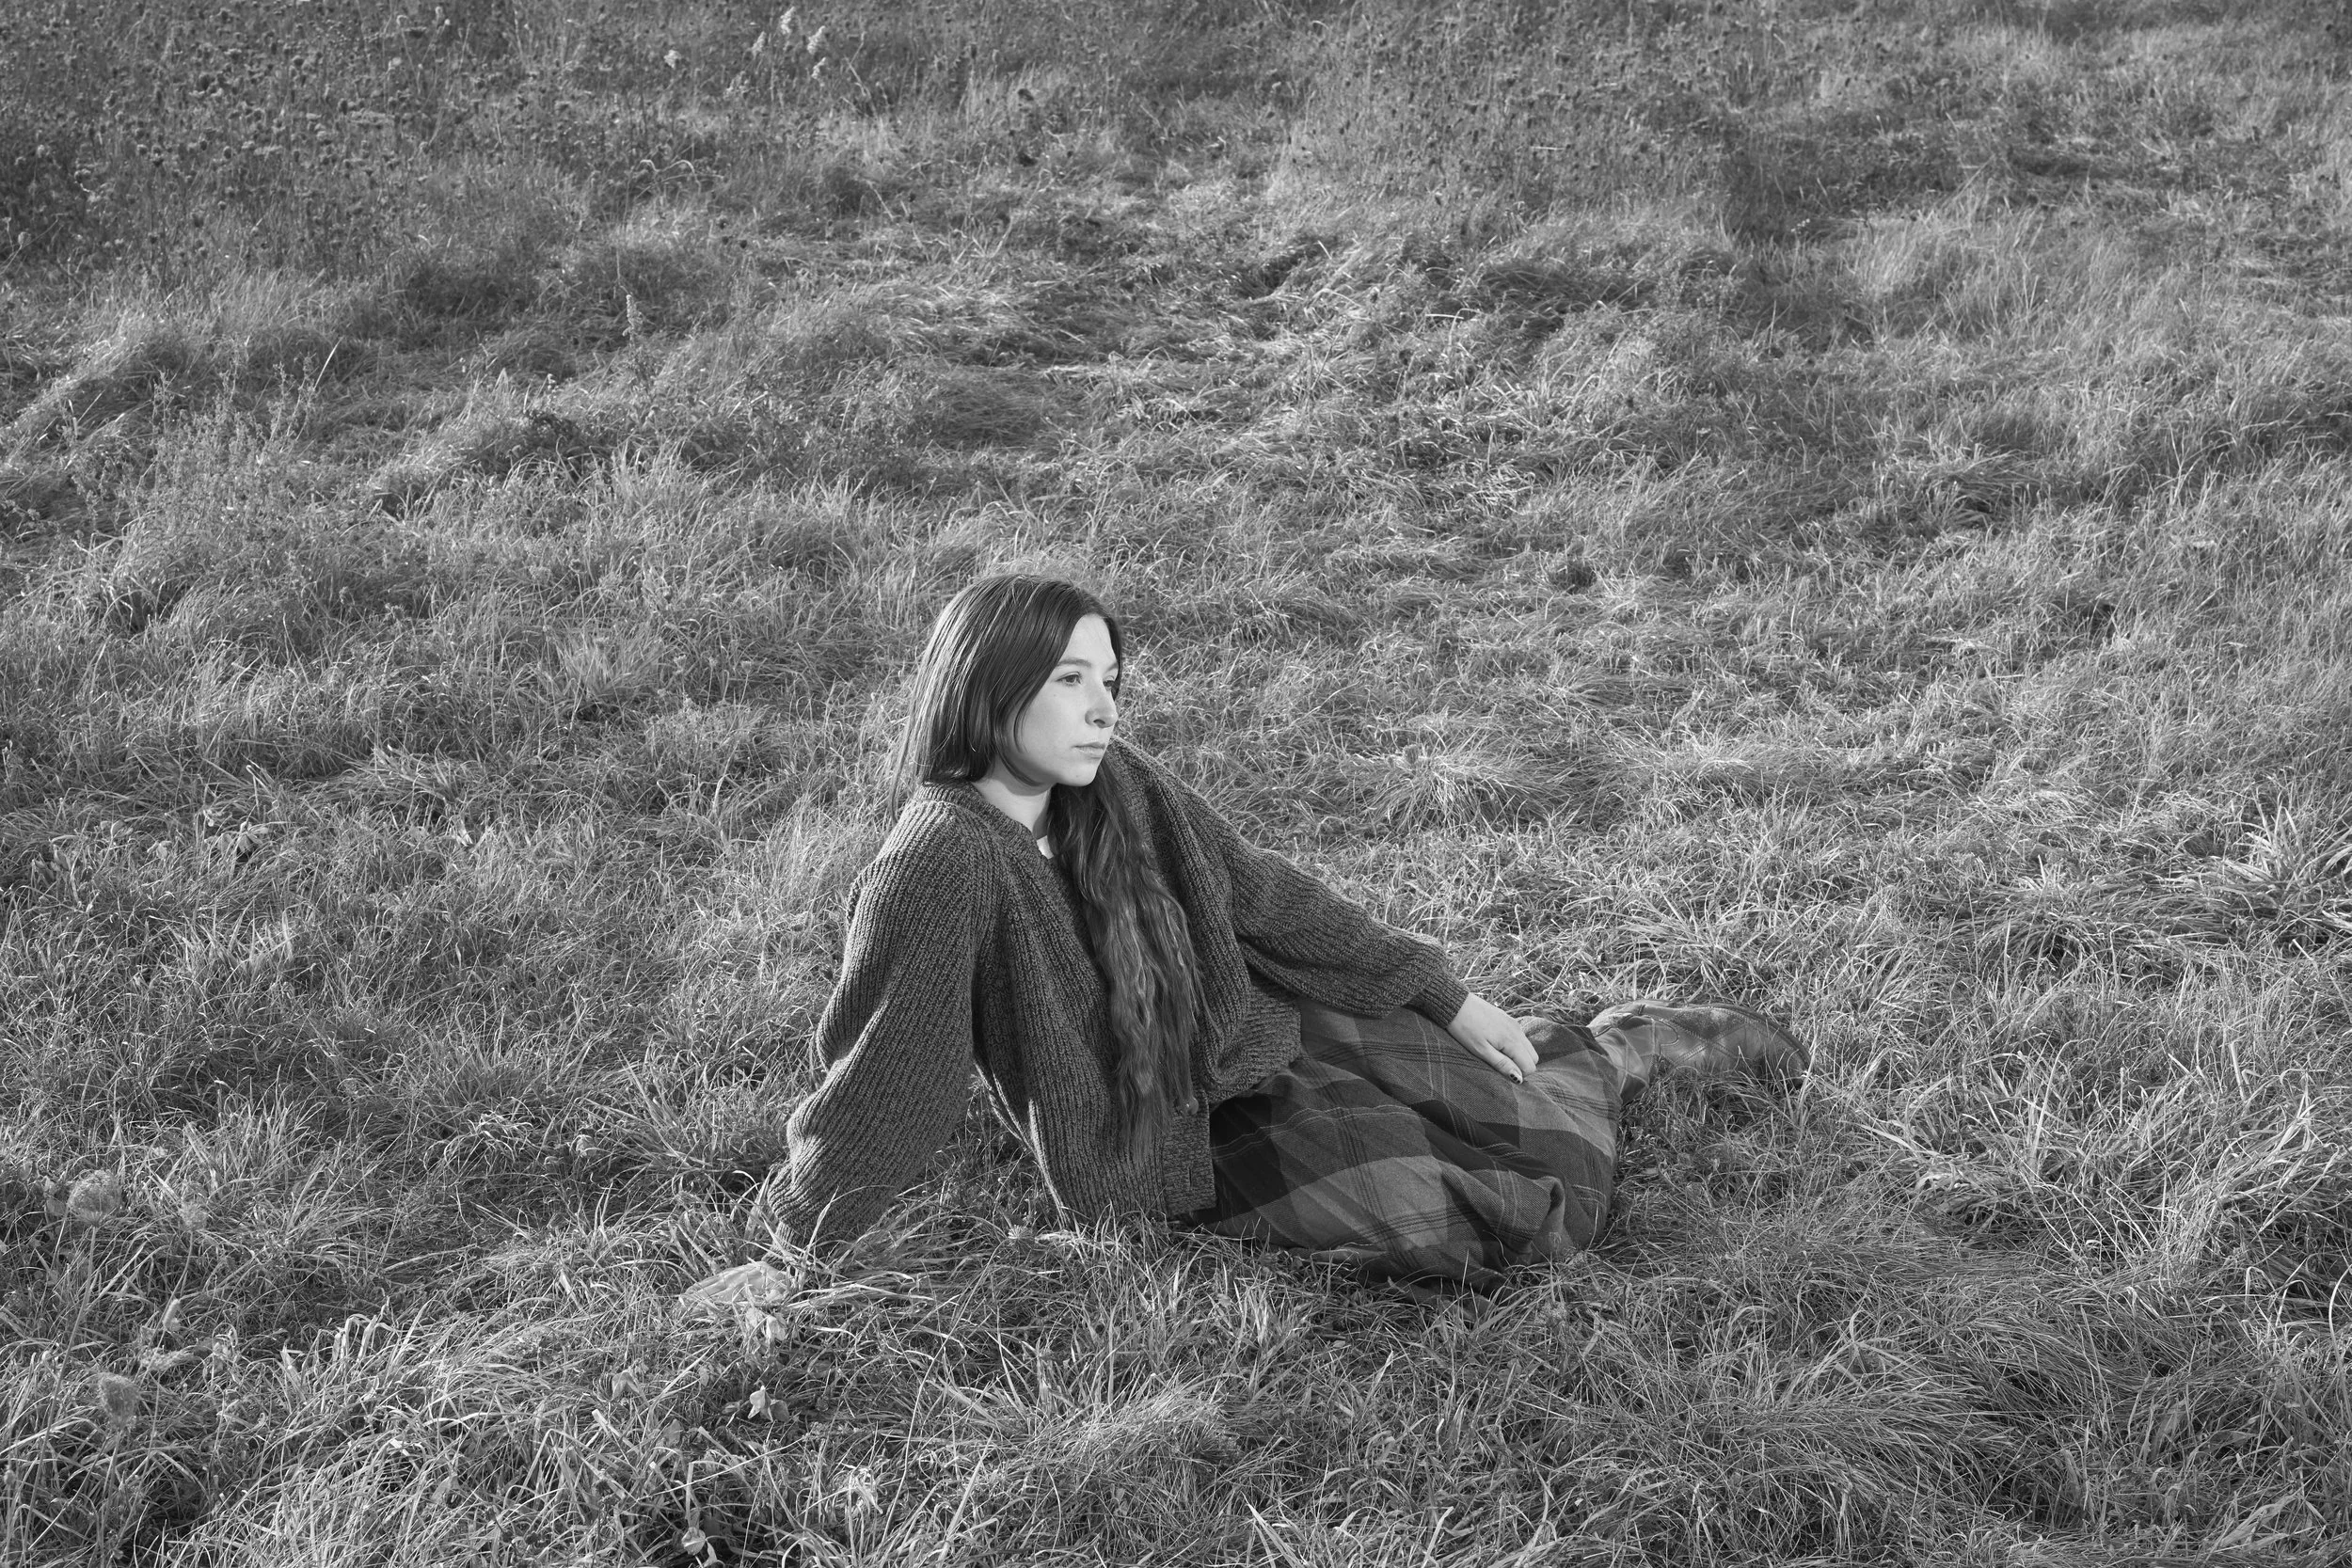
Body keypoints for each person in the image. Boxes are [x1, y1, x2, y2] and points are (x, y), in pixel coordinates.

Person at [775, 575, 1806, 1288]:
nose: (1103, 709)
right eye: (1069, 680)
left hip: (1250, 1033)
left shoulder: (1117, 784)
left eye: (1110, 680)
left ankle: (1617, 1046)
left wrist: (1447, 995)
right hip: (1161, 1144)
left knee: (1491, 1084)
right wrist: (794, 1247)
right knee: (1487, 1214)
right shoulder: (941, 861)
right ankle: (1600, 1064)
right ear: (987, 682)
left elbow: (1261, 895)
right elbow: (886, 1076)